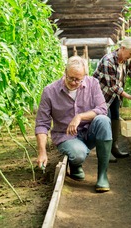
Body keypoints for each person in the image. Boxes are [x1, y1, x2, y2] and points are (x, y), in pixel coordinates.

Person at [35, 56, 113, 193]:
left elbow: (102, 109)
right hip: (66, 136)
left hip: (89, 132)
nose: (73, 82)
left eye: (78, 79)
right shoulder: (50, 91)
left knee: (104, 120)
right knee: (78, 154)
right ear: (65, 71)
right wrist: (42, 152)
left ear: (85, 76)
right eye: (70, 78)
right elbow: (42, 123)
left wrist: (80, 116)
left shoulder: (93, 84)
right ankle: (75, 163)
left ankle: (102, 176)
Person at [93, 37, 131, 160]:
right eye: (130, 53)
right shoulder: (108, 60)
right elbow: (112, 86)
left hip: (114, 94)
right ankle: (104, 152)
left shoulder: (125, 60)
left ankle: (113, 147)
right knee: (106, 120)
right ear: (123, 48)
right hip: (101, 94)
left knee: (115, 118)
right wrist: (129, 97)